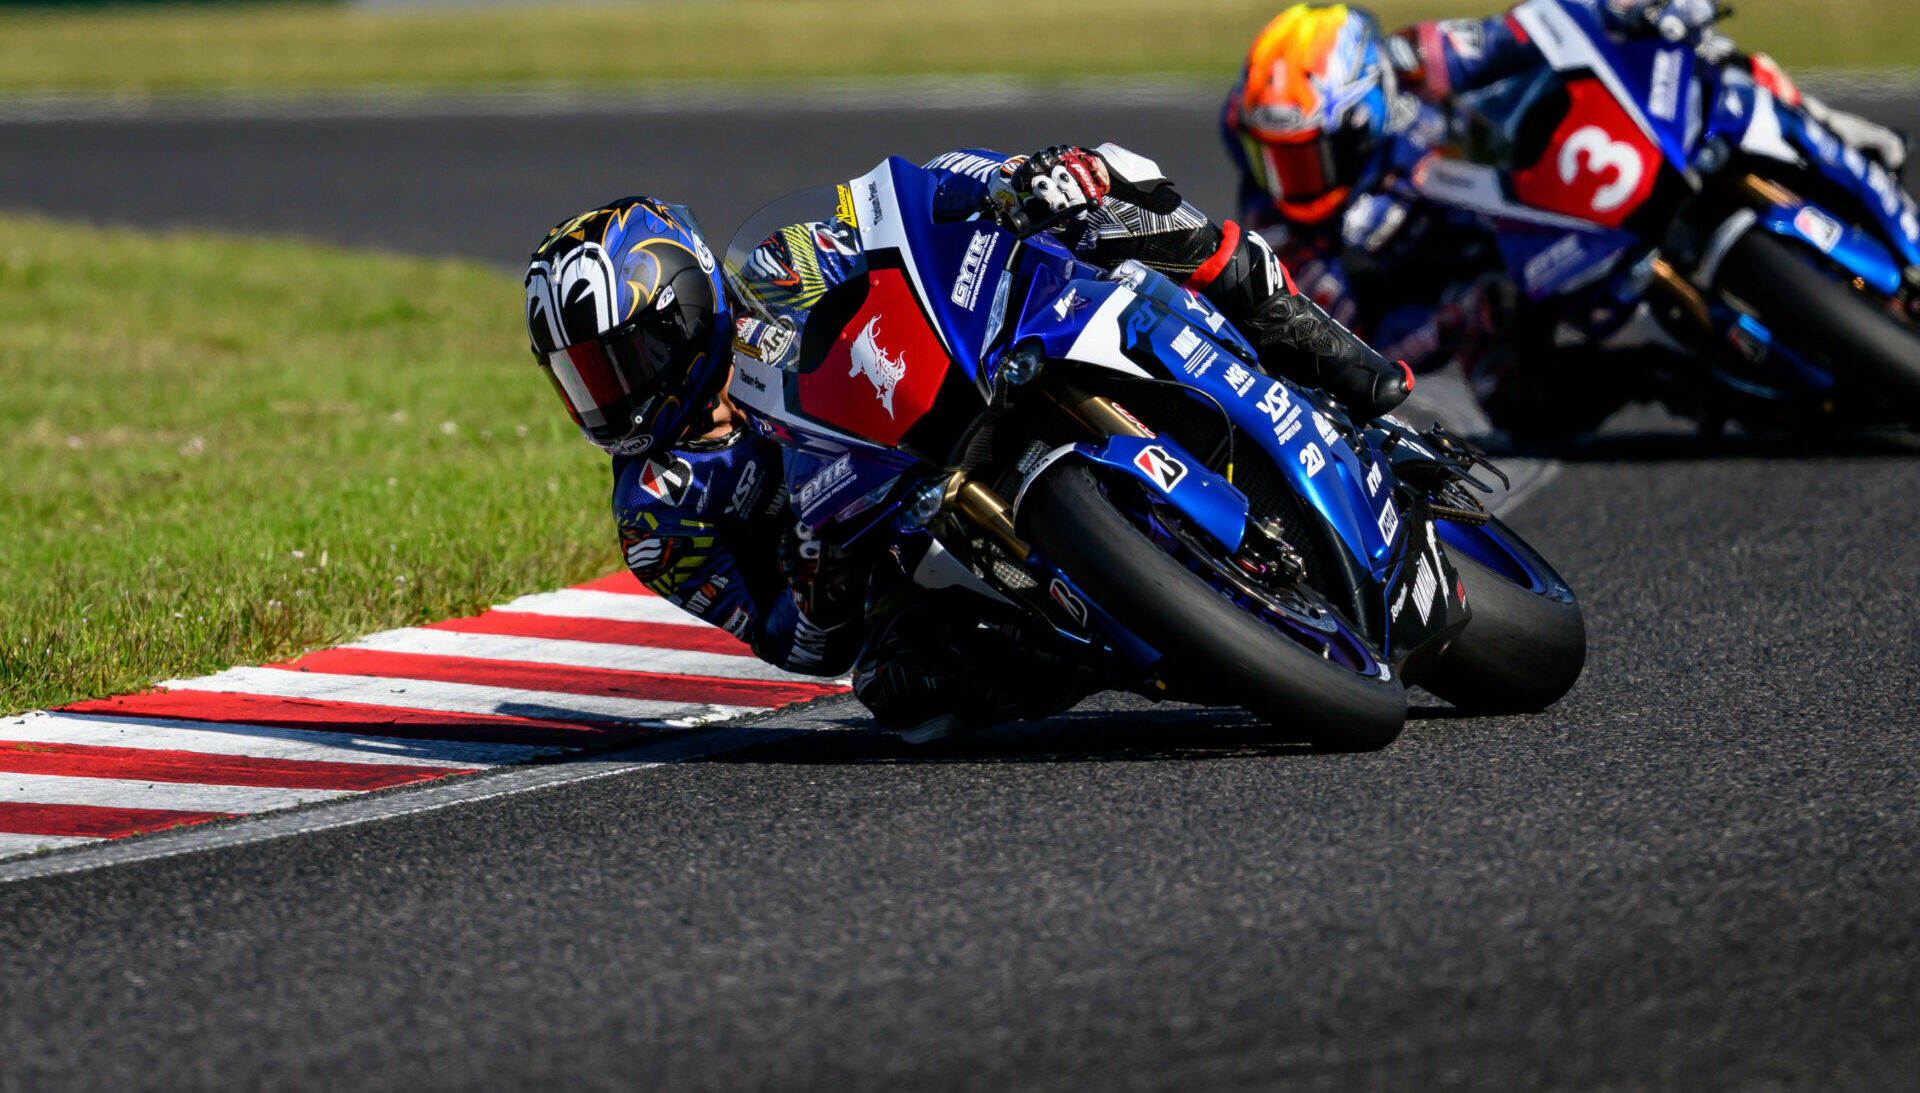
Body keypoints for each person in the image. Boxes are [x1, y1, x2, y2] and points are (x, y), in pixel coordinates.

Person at [522, 144, 1411, 743]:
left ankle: (1305, 333)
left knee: (1107, 184)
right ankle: (1142, 636)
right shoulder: (657, 515)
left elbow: (889, 205)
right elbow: (793, 646)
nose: (616, 391)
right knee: (900, 692)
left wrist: (1000, 186)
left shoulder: (772, 266)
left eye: (624, 357)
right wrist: (816, 590)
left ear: (685, 302)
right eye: (586, 377)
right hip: (899, 549)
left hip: (952, 374)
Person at [1222, 1, 1912, 425]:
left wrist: (1628, 13)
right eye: (1274, 158)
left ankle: (1838, 141)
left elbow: (1523, 31)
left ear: (1364, 108)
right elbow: (1353, 338)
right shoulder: (1290, 236)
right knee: (1515, 399)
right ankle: (1711, 390)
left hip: (1559, 184)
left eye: (1310, 154)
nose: (1288, 179)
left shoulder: (1407, 62)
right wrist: (1463, 315)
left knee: (1725, 69)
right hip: (1495, 283)